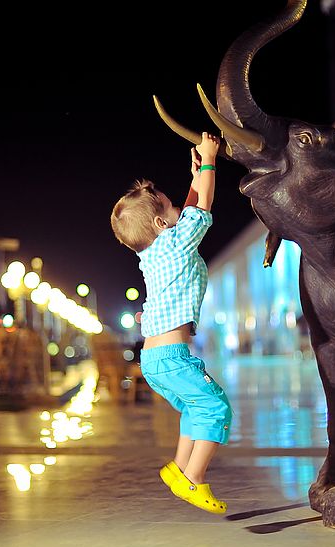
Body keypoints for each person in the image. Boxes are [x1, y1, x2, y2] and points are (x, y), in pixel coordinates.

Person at [110, 132, 232, 514]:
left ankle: (178, 469)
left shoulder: (155, 250)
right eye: (170, 205)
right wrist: (209, 162)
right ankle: (193, 478)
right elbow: (203, 206)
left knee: (196, 408)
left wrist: (195, 175)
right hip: (173, 358)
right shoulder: (176, 243)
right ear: (162, 223)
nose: (181, 205)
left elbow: (189, 209)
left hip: (156, 360)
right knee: (216, 409)